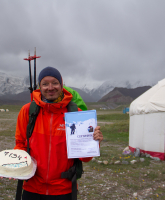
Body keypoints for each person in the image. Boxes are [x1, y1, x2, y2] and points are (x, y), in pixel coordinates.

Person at [14, 66, 103, 200]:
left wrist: (93, 142)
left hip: (63, 189)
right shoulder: (28, 111)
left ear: (61, 85)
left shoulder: (76, 114)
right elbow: (20, 144)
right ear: (40, 86)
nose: (50, 87)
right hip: (32, 187)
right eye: (45, 84)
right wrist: (13, 164)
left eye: (55, 83)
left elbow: (85, 158)